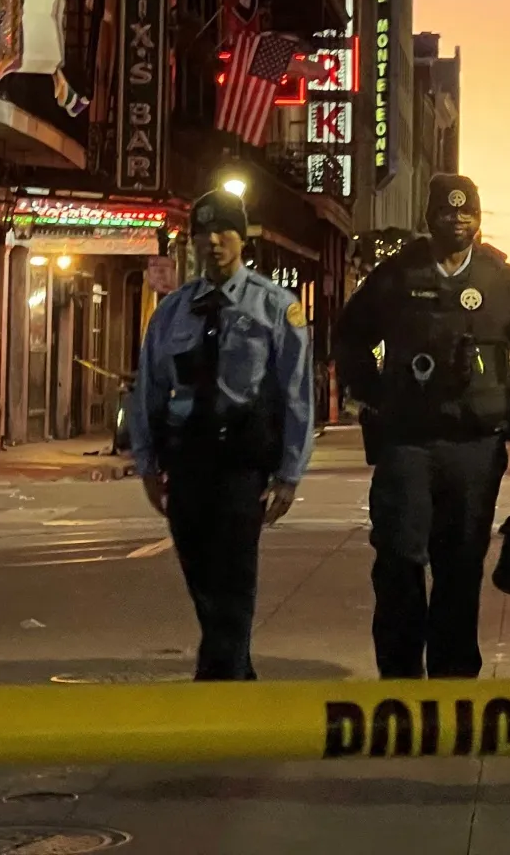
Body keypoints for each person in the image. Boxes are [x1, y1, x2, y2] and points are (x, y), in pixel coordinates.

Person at [335, 174, 510, 679]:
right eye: (446, 210)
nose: (457, 219)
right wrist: (374, 394)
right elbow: (349, 336)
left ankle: (453, 676)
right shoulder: (397, 275)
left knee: (460, 564)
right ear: (429, 217)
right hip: (407, 442)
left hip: (474, 446)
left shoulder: (502, 282)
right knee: (398, 557)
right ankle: (399, 674)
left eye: (466, 212)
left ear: (478, 219)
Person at [129, 189, 314, 681]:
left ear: (242, 238)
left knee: (234, 575)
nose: (214, 243)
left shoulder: (276, 307)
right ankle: (235, 670)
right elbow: (148, 387)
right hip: (187, 458)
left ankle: (220, 681)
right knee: (199, 573)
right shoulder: (172, 312)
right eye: (204, 234)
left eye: (225, 232)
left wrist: (290, 473)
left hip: (241, 461)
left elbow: (297, 395)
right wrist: (145, 463)